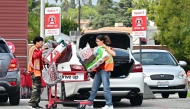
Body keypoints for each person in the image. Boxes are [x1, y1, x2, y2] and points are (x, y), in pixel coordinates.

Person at [85, 35, 116, 109]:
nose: (96, 42)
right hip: (98, 71)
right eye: (96, 41)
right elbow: (91, 58)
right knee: (94, 88)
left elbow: (114, 54)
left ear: (102, 41)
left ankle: (109, 105)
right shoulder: (96, 48)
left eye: (98, 41)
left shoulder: (107, 48)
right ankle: (90, 103)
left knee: (106, 88)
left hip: (105, 70)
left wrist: (105, 47)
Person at [27, 36, 44, 109]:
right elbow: (35, 56)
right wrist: (42, 50)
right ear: (37, 42)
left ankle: (36, 103)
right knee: (36, 88)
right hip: (34, 71)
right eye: (41, 42)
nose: (42, 43)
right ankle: (32, 103)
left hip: (37, 72)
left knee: (38, 88)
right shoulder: (33, 49)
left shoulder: (37, 49)